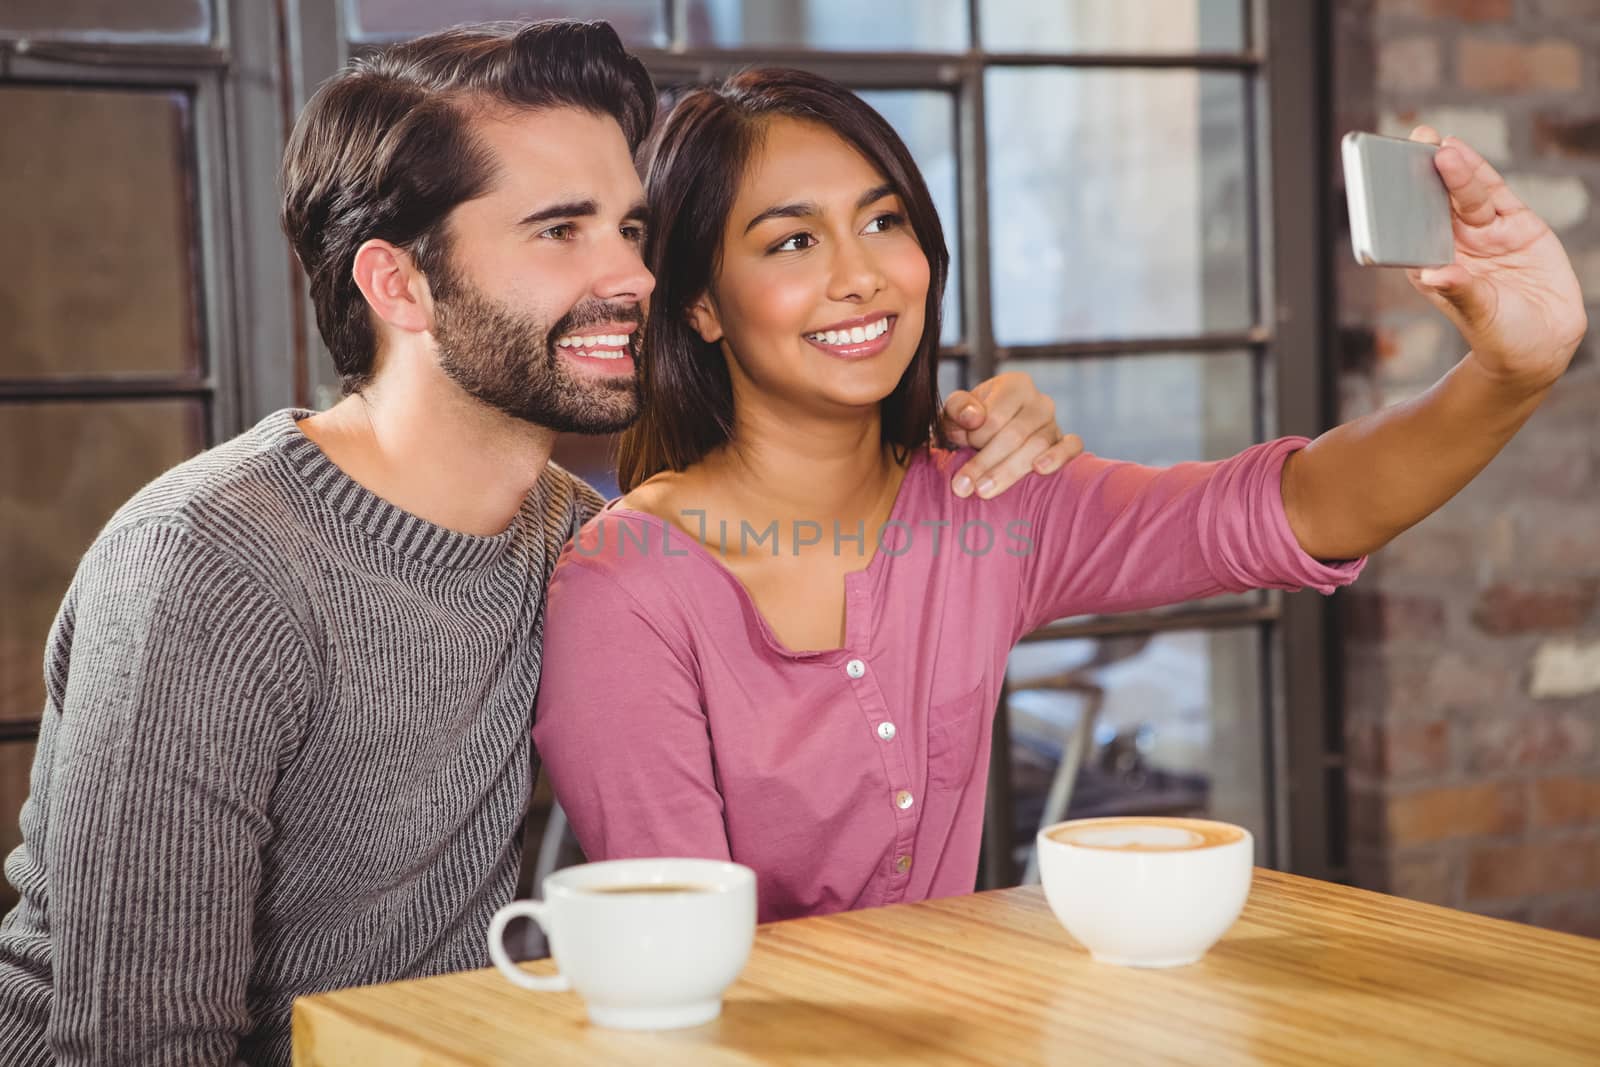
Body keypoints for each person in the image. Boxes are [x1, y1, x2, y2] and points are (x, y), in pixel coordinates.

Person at [0, 24, 1068, 1067]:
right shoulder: (207, 567)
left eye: (633, 230)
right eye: (560, 231)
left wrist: (950, 437)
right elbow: (138, 1043)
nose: (633, 277)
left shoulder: (571, 537)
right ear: (399, 285)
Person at [532, 68, 1588, 923]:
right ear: (703, 307)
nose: (859, 275)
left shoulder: (988, 498)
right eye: (792, 241)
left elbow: (1296, 508)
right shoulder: (629, 587)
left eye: (883, 221)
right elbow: (674, 951)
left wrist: (1510, 372)